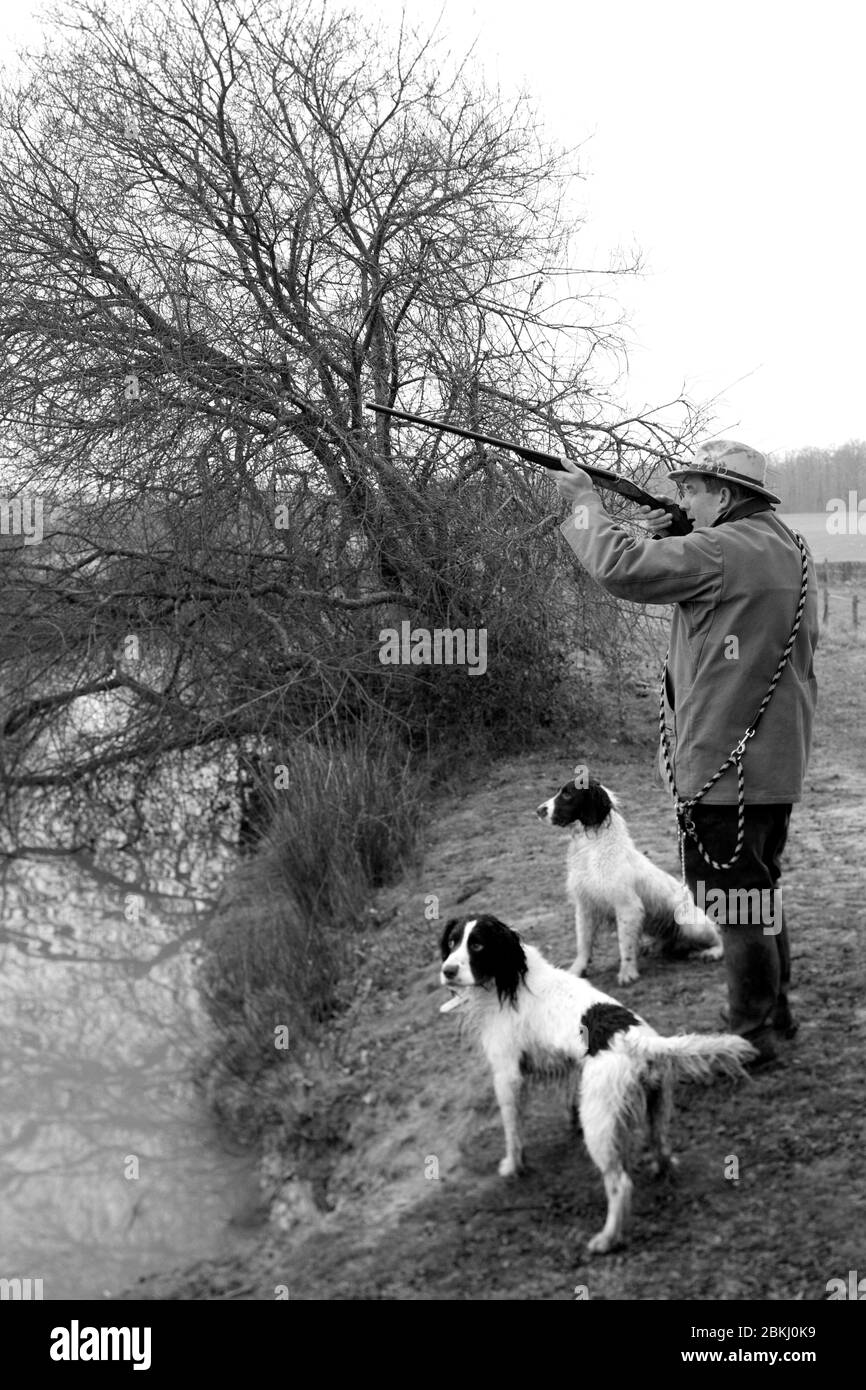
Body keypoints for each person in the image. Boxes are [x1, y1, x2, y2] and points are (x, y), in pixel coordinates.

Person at [555, 440, 819, 1067]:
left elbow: (622, 568)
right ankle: (774, 1014)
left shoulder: (722, 549)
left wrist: (585, 505)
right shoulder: (787, 545)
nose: (683, 500)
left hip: (727, 768)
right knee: (756, 892)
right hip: (774, 765)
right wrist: (681, 530)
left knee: (734, 905)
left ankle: (750, 1037)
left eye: (693, 491)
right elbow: (729, 596)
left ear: (725, 497)